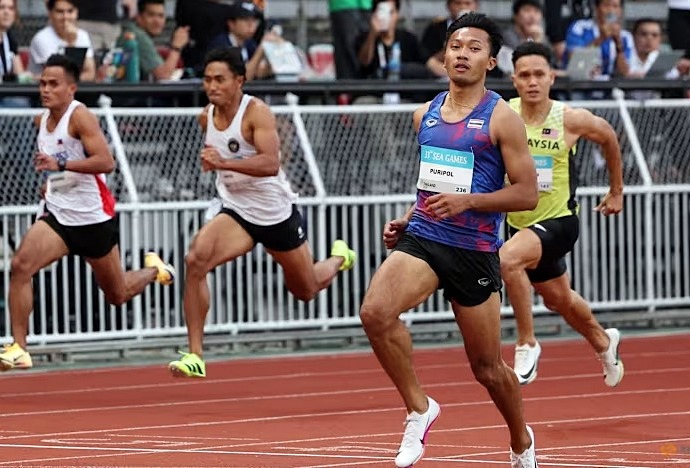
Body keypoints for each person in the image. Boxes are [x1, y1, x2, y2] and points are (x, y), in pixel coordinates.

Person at [359, 13, 539, 468]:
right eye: (455, 46)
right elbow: (432, 183)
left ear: (491, 61)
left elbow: (526, 194)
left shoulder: (502, 118)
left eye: (474, 48)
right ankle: (419, 408)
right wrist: (407, 218)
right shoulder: (425, 114)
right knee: (375, 313)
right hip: (424, 236)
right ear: (444, 55)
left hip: (473, 250)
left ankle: (521, 441)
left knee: (487, 369)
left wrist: (468, 202)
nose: (462, 54)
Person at [167, 47, 356, 379]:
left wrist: (224, 162)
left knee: (306, 289)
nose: (212, 86)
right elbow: (218, 158)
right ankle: (195, 354)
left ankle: (340, 258)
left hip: (275, 214)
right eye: (207, 80)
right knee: (195, 259)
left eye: (220, 79)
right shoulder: (205, 117)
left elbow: (270, 163)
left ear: (239, 81)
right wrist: (215, 164)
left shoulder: (257, 113)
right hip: (237, 211)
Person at [0, 54, 175, 371]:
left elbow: (106, 162)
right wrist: (53, 184)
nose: (45, 90)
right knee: (21, 266)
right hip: (58, 215)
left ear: (71, 88)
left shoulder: (80, 117)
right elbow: (64, 170)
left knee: (117, 294)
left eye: (54, 84)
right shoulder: (41, 121)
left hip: (92, 218)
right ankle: (19, 348)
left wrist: (60, 166)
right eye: (42, 83)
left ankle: (155, 270)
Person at [503, 41, 624, 387]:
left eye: (539, 74)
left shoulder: (570, 118)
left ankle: (527, 343)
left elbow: (609, 137)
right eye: (525, 75)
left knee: (507, 260)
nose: (532, 82)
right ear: (514, 80)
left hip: (560, 222)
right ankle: (603, 341)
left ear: (552, 77)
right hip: (520, 223)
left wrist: (616, 190)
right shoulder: (503, 114)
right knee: (559, 300)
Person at [116, 0, 190, 82]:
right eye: (151, 15)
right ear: (139, 17)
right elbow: (163, 76)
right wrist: (176, 47)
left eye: (161, 16)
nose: (157, 21)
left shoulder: (133, 31)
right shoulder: (138, 36)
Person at [29, 0, 97, 81]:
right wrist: (71, 43)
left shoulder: (82, 35)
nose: (65, 17)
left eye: (70, 11)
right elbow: (60, 76)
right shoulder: (41, 38)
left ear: (76, 13)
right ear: (50, 14)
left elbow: (90, 74)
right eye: (60, 12)